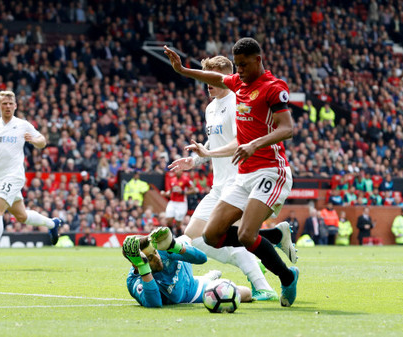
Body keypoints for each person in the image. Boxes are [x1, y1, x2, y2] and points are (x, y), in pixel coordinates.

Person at [164, 37, 299, 307]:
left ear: (258, 60)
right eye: (237, 66)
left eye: (245, 65)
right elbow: (212, 76)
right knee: (211, 236)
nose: (241, 72)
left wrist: (253, 144)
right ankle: (274, 237)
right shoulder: (238, 82)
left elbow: (288, 128)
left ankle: (285, 277)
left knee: (247, 234)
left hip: (270, 171)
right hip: (242, 176)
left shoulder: (273, 88)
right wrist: (183, 70)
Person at [0, 90, 62, 268]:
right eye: (4, 104)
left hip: (15, 176)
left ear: (16, 106)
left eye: (11, 104)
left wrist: (34, 140)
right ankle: (52, 223)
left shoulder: (22, 125)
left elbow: (42, 141)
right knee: (21, 216)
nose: (8, 106)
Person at [123, 227, 252, 308]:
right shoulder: (135, 281)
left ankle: (207, 277)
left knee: (185, 237)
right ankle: (208, 279)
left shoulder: (162, 251)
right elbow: (154, 303)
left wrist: (174, 245)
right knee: (245, 294)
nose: (157, 259)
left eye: (154, 253)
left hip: (188, 280)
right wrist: (143, 267)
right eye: (149, 258)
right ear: (136, 264)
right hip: (189, 293)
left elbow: (202, 259)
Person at [161, 171, 196, 236]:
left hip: (181, 203)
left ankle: (178, 234)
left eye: (178, 170)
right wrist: (165, 193)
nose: (177, 172)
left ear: (181, 171)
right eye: (176, 170)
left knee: (178, 222)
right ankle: (170, 236)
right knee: (168, 220)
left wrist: (182, 192)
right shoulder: (172, 179)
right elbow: (170, 192)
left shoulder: (186, 179)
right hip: (172, 202)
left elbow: (193, 190)